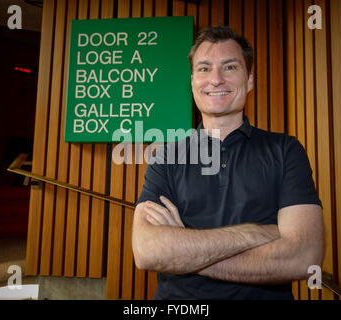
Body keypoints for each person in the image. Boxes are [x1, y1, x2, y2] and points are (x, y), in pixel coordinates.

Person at [131, 26, 324, 300]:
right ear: (193, 80)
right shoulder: (165, 157)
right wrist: (254, 233)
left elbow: (304, 257)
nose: (216, 79)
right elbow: (147, 251)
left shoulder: (286, 151)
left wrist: (184, 251)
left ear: (249, 80)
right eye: (204, 68)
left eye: (230, 67)